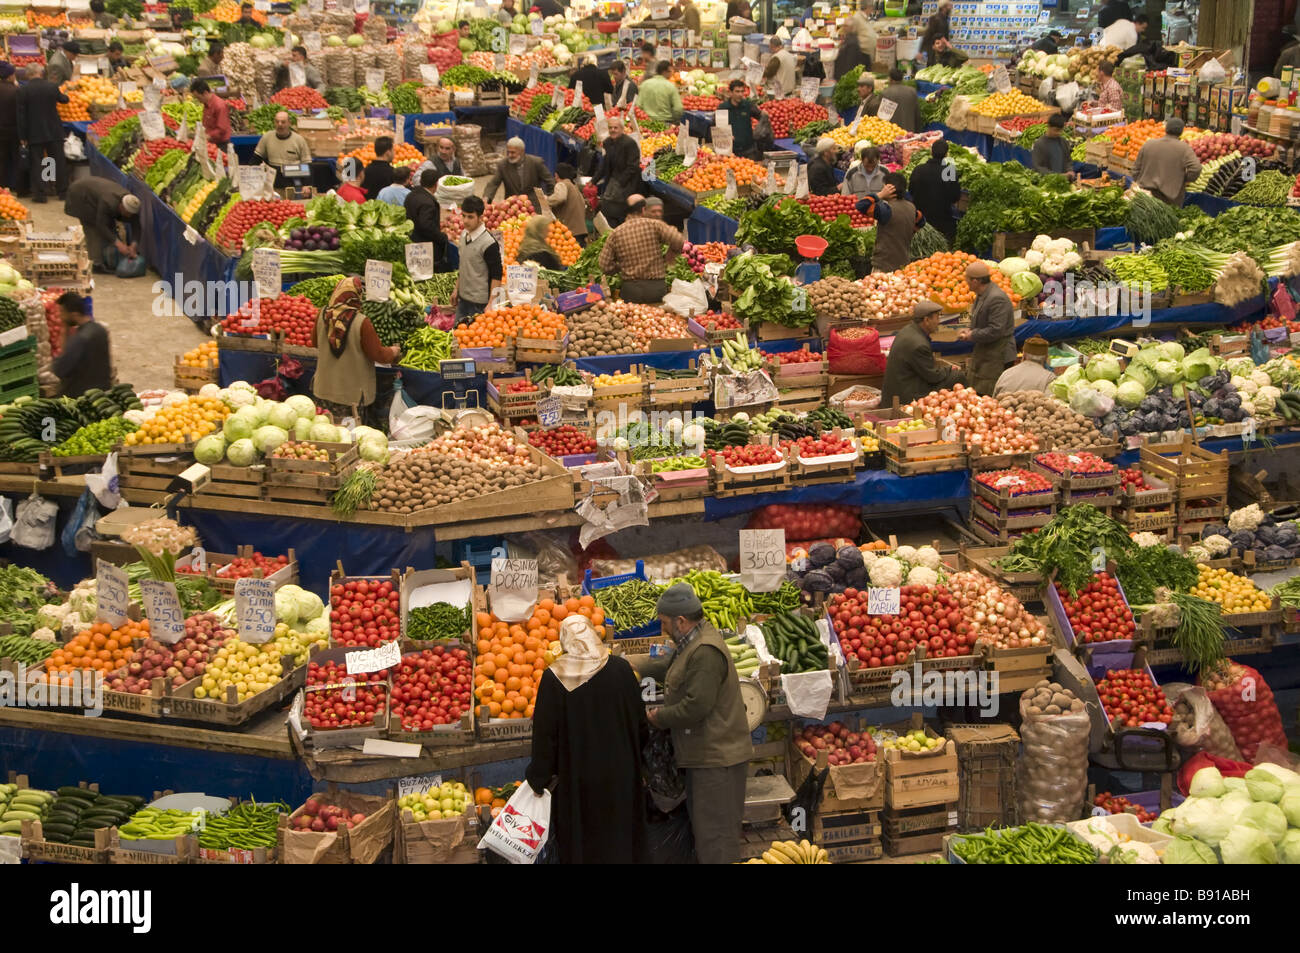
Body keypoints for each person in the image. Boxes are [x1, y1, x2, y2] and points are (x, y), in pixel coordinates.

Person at [634, 584, 752, 865]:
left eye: (663, 623)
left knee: (717, 840)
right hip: (706, 757)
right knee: (707, 834)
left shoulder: (705, 652)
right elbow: (671, 668)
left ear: (681, 621)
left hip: (717, 761)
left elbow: (696, 707)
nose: (662, 629)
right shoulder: (692, 643)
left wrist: (658, 717)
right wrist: (627, 666)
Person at [525, 613, 648, 864]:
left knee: (584, 846)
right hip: (621, 776)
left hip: (578, 782)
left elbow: (545, 737)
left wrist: (538, 778)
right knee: (621, 841)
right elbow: (640, 723)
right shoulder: (622, 670)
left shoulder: (554, 678)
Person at [311, 278, 400, 418]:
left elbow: (315, 343)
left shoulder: (322, 315)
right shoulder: (361, 322)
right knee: (350, 435)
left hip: (324, 390)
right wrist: (393, 352)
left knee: (325, 432)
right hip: (351, 395)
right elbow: (378, 354)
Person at [598, 198, 684, 303]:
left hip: (631, 290)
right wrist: (671, 253)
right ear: (643, 210)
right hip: (656, 288)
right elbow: (679, 239)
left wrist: (620, 267)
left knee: (634, 317)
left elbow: (604, 265)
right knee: (657, 317)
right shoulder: (654, 225)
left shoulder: (615, 233)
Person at [880, 301, 965, 405]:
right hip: (906, 395)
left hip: (900, 387)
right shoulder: (919, 344)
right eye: (937, 318)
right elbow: (933, 376)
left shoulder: (907, 330)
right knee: (957, 376)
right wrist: (949, 369)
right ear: (927, 320)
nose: (939, 322)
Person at [959, 260, 1016, 395]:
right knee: (978, 389)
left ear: (976, 281)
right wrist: (970, 330)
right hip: (987, 352)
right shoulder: (982, 295)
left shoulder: (996, 298)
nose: (965, 282)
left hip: (998, 355)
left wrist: (971, 335)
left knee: (991, 392)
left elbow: (996, 330)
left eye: (967, 279)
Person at [17, 66, 68, 203]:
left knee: (37, 163)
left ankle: (40, 194)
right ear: (39, 73)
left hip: (34, 132)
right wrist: (68, 90)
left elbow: (21, 116)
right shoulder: (51, 87)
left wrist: (22, 136)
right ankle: (61, 191)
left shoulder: (23, 90)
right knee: (56, 161)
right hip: (53, 130)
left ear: (28, 75)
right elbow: (64, 100)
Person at [65, 177, 140, 271]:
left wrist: (133, 245)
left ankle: (108, 258)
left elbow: (137, 225)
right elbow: (101, 225)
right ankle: (96, 263)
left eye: (131, 214)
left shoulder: (132, 204)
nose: (129, 216)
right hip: (81, 195)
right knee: (93, 229)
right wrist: (119, 244)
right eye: (127, 213)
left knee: (110, 231)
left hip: (97, 195)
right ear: (121, 206)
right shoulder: (108, 202)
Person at [858, 172, 923, 273]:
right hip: (903, 265)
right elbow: (922, 221)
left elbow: (861, 205)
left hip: (884, 266)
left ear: (889, 189)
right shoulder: (911, 207)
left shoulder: (886, 210)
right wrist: (909, 231)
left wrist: (880, 195)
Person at [451, 196, 503, 321]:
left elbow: (497, 276)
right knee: (457, 336)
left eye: (470, 217)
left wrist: (491, 303)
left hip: (480, 304)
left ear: (480, 218)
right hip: (463, 300)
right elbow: (463, 265)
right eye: (463, 216)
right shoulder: (463, 235)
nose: (465, 220)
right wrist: (456, 289)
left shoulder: (489, 244)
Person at [52, 293, 112, 398]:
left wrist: (64, 330)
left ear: (74, 314)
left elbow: (60, 370)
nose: (60, 317)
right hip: (102, 391)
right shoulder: (100, 330)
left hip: (81, 396)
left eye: (62, 312)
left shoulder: (79, 340)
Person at [1133, 116, 1201, 207]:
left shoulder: (1149, 144)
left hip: (1144, 195)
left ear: (1166, 129)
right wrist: (1184, 179)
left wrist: (1139, 182)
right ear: (1181, 131)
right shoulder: (1184, 148)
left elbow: (1135, 169)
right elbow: (1196, 168)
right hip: (1169, 199)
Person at [908, 139, 961, 244]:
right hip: (943, 222)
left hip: (920, 222)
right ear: (946, 154)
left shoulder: (918, 170)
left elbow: (911, 191)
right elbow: (955, 197)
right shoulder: (949, 171)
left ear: (931, 152)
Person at [483, 136, 554, 212]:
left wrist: (549, 197)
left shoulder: (536, 162)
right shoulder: (503, 165)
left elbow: (550, 181)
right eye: (508, 152)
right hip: (512, 206)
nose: (510, 155)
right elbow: (493, 184)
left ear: (522, 151)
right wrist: (486, 198)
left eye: (513, 152)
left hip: (534, 206)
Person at [595, 116, 641, 226]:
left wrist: (619, 183)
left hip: (627, 184)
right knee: (606, 208)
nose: (612, 130)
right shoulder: (607, 142)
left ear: (622, 129)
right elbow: (605, 164)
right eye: (610, 128)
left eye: (615, 128)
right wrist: (593, 181)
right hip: (613, 181)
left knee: (616, 210)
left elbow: (633, 167)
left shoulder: (630, 144)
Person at [253, 110, 311, 186]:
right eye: (277, 122)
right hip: (273, 182)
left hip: (294, 181)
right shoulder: (267, 137)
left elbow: (307, 165)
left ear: (289, 123)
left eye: (283, 122)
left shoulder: (299, 140)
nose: (280, 125)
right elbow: (256, 159)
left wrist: (307, 185)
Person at [404, 169, 448, 268]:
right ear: (436, 184)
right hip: (424, 248)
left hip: (411, 244)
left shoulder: (411, 195)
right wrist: (442, 237)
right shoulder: (428, 203)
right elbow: (426, 226)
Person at [717, 79, 762, 159]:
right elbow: (718, 128)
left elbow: (761, 117)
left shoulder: (748, 106)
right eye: (737, 91)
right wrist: (725, 134)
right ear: (730, 93)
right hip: (731, 151)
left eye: (742, 91)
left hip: (748, 150)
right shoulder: (723, 108)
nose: (740, 94)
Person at [547, 163, 588, 245]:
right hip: (581, 230)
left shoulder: (561, 184)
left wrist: (546, 200)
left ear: (556, 175)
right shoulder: (574, 187)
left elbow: (560, 197)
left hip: (570, 231)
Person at [835, 0, 875, 79]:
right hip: (860, 53)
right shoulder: (857, 17)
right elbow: (847, 29)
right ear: (868, 7)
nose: (872, 10)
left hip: (866, 53)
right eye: (871, 7)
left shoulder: (864, 17)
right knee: (861, 76)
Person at [1031, 113, 1074, 177]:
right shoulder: (1040, 144)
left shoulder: (1063, 142)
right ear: (1049, 127)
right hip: (1047, 183)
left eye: (1060, 130)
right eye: (1056, 130)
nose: (1058, 133)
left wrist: (1070, 170)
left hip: (1063, 182)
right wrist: (1057, 176)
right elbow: (1038, 167)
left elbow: (1068, 161)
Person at [191, 79, 231, 148]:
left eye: (199, 98)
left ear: (205, 93)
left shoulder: (219, 106)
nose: (199, 101)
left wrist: (208, 136)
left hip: (221, 145)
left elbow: (222, 129)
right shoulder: (206, 104)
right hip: (211, 143)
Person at [880, 67, 920, 133]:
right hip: (909, 133)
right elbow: (917, 115)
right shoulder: (912, 91)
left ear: (890, 79)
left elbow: (882, 117)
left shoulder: (885, 93)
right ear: (902, 79)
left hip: (891, 133)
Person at [921, 0, 952, 66]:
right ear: (944, 8)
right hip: (934, 51)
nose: (951, 7)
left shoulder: (943, 18)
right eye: (949, 6)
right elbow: (930, 35)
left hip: (938, 50)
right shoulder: (937, 19)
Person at [0, 64, 15, 194]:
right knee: (15, 158)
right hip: (13, 130)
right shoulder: (15, 90)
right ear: (10, 76)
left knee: (2, 158)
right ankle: (17, 186)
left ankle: (2, 185)